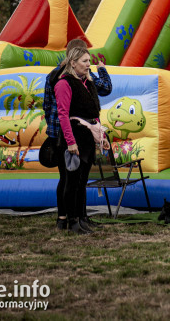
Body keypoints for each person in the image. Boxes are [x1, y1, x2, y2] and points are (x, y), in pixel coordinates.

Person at [44, 38, 112, 232]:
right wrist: (103, 69)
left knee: (71, 178)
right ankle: (71, 219)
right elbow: (106, 88)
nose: (87, 64)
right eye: (84, 59)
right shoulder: (63, 79)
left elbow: (48, 107)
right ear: (74, 58)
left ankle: (67, 218)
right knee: (71, 179)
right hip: (68, 133)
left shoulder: (59, 76)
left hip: (62, 132)